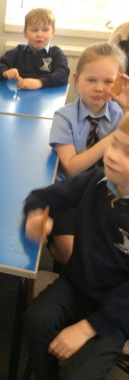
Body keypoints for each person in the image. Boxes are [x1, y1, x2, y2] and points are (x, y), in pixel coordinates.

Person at [22, 111, 129, 380]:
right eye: (114, 143)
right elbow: (41, 197)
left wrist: (88, 327)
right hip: (77, 285)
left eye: (127, 153)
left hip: (117, 311)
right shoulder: (96, 181)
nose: (112, 155)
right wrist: (36, 216)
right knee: (36, 321)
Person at [48, 42, 128, 265]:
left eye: (108, 82)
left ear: (119, 83)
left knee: (111, 249)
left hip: (107, 193)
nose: (99, 88)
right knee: (68, 253)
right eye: (91, 80)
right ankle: (50, 241)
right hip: (70, 193)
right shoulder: (64, 117)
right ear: (77, 79)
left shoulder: (120, 115)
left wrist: (126, 109)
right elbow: (71, 167)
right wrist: (114, 138)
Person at [0, 8, 69, 90]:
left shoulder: (56, 53)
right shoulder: (18, 51)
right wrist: (5, 72)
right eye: (34, 30)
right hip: (20, 93)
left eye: (45, 30)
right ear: (25, 33)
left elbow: (63, 75)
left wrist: (40, 82)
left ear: (53, 32)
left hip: (46, 95)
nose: (39, 35)